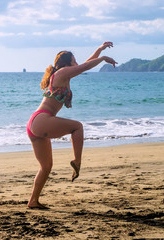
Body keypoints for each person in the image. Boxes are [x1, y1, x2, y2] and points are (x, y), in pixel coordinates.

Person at [26, 42, 117, 209]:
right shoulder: (61, 72)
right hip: (42, 119)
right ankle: (77, 161)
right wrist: (103, 57)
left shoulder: (63, 74)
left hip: (35, 123)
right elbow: (84, 66)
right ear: (67, 64)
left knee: (46, 167)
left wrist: (99, 49)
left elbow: (84, 65)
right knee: (77, 127)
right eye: (74, 61)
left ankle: (33, 201)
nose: (77, 64)